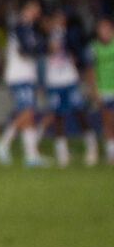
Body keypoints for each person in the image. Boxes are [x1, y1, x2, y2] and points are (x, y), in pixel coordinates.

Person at [0, 0, 47, 166]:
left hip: (27, 75)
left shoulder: (30, 29)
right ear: (26, 9)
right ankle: (3, 143)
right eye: (33, 9)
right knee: (27, 111)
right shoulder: (20, 27)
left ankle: (31, 155)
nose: (36, 13)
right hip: (18, 75)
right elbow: (26, 50)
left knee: (29, 115)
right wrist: (41, 46)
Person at [40, 16, 88, 168]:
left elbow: (78, 51)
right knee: (58, 116)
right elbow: (41, 52)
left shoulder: (70, 35)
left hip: (70, 80)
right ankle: (62, 152)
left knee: (79, 112)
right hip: (54, 82)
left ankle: (91, 147)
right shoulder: (42, 37)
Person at [90, 18, 114, 164]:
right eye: (101, 28)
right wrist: (94, 88)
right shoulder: (94, 47)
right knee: (108, 121)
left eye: (107, 28)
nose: (104, 31)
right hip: (104, 88)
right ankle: (111, 152)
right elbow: (91, 70)